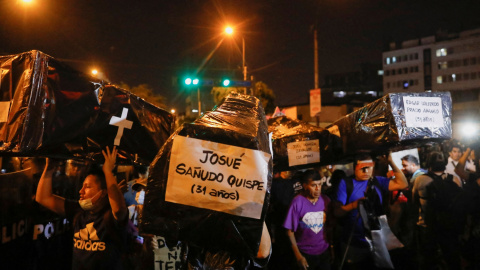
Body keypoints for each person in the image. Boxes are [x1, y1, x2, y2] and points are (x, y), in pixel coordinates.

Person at [36, 146, 130, 270]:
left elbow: (118, 209)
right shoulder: (78, 211)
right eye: (82, 186)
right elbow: (43, 198)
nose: (81, 191)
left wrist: (107, 171)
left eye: (87, 187)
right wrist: (49, 169)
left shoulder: (110, 216)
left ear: (102, 193)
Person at [333, 152, 408, 269]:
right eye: (362, 168)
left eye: (369, 168)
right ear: (354, 168)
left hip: (377, 240)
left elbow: (402, 184)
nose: (366, 171)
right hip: (354, 242)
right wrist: (353, 205)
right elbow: (337, 212)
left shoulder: (377, 181)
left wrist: (391, 162)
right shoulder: (346, 183)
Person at [412, 151, 465, 270]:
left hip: (427, 225)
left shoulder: (420, 180)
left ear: (428, 164)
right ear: (445, 163)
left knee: (429, 259)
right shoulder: (454, 179)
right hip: (449, 225)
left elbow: (414, 201)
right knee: (452, 257)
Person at [283, 169, 332, 270]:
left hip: (324, 252)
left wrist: (332, 248)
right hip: (305, 253)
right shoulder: (298, 202)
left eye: (319, 184)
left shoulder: (326, 200)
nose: (318, 188)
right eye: (313, 185)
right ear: (305, 186)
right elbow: (289, 232)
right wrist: (298, 256)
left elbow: (330, 226)